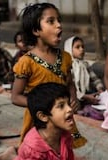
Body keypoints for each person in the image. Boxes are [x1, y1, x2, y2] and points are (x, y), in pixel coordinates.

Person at [11, 2, 86, 148]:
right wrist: (43, 105)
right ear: (36, 31)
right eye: (51, 21)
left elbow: (69, 83)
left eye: (59, 20)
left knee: (62, 150)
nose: (59, 25)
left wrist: (73, 97)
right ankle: (11, 153)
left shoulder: (65, 58)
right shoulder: (26, 62)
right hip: (40, 119)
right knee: (36, 154)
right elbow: (16, 97)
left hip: (62, 117)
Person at [63, 36, 104, 109]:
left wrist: (100, 89)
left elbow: (95, 79)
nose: (81, 49)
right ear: (69, 49)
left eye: (82, 47)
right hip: (75, 96)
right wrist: (84, 96)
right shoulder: (68, 65)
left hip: (87, 94)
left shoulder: (85, 64)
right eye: (77, 47)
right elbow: (70, 86)